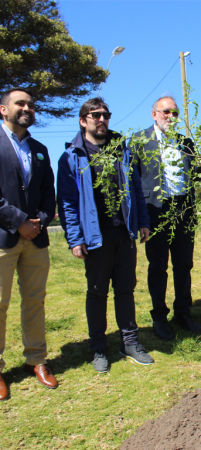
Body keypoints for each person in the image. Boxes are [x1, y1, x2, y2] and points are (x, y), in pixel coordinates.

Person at [57, 98, 153, 374]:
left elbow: (135, 187)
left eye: (106, 115)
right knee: (97, 292)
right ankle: (98, 347)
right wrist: (75, 238)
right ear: (82, 120)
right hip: (94, 237)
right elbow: (66, 201)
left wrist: (142, 221)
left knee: (126, 289)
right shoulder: (72, 156)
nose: (101, 120)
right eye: (95, 115)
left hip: (123, 233)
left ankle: (130, 342)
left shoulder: (121, 150)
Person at [131, 95, 201, 341]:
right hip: (155, 212)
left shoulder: (186, 143)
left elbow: (196, 172)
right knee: (158, 266)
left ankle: (183, 312)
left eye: (174, 113)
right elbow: (132, 181)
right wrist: (140, 219)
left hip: (183, 209)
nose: (170, 117)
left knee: (184, 265)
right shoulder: (140, 141)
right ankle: (159, 316)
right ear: (154, 114)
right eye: (166, 112)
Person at [0, 87, 57, 398]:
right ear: (3, 110)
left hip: (35, 240)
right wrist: (18, 221)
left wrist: (40, 222)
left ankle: (36, 360)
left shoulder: (39, 148)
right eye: (20, 103)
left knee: (35, 300)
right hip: (4, 237)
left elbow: (49, 192)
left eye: (31, 105)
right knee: (0, 303)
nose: (27, 108)